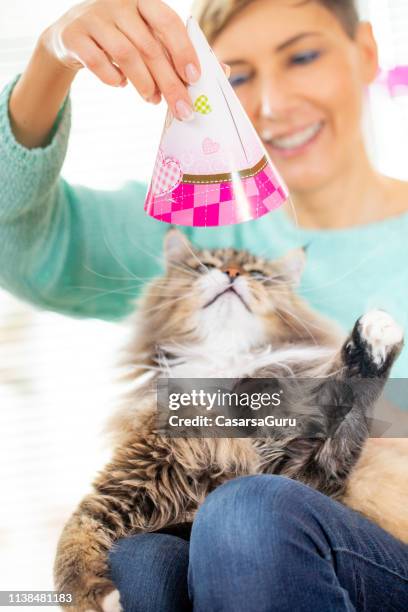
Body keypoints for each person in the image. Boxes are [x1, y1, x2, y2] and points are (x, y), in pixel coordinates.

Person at [1, 0, 407, 610]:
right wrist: (51, 58)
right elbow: (17, 234)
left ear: (367, 52)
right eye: (236, 77)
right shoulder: (197, 243)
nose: (272, 103)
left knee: (246, 515)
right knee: (142, 559)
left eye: (302, 55)